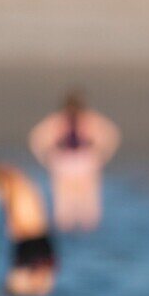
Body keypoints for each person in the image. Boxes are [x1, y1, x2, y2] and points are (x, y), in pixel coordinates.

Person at [29, 89, 120, 232]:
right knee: (63, 202)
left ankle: (89, 231)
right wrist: (48, 159)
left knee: (89, 202)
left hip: (86, 160)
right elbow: (37, 138)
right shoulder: (56, 121)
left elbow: (111, 135)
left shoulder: (91, 119)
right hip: (63, 161)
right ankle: (65, 230)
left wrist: (100, 156)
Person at [0, 154, 57, 296]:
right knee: (28, 288)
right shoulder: (9, 177)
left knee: (19, 287)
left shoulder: (5, 176)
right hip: (34, 236)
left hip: (32, 237)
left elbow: (11, 192)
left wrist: (11, 221)